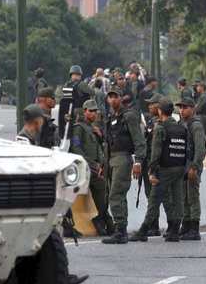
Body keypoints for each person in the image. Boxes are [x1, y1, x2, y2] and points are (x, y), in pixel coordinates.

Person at [17, 104, 89, 284]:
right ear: (38, 120)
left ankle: (55, 276)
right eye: (42, 119)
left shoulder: (29, 139)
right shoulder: (23, 142)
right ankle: (54, 277)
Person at [100, 85, 146, 245]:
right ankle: (122, 230)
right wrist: (103, 165)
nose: (113, 99)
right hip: (111, 159)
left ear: (121, 98)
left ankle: (120, 231)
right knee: (116, 195)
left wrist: (138, 161)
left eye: (116, 96)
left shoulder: (129, 116)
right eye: (110, 96)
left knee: (116, 195)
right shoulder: (110, 117)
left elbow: (139, 141)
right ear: (107, 99)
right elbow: (107, 143)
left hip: (122, 158)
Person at [145, 97, 190, 242]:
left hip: (165, 169)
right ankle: (175, 230)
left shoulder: (160, 128)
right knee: (177, 199)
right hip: (180, 168)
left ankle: (144, 229)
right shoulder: (181, 127)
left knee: (154, 198)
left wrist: (151, 170)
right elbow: (187, 150)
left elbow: (156, 152)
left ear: (160, 110)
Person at [70, 99, 112, 236]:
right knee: (101, 186)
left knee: (107, 188)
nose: (94, 114)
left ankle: (105, 218)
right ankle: (101, 219)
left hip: (96, 166)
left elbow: (101, 148)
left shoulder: (93, 128)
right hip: (85, 167)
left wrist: (100, 136)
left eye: (95, 111)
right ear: (84, 112)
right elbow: (77, 149)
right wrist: (93, 164)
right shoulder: (79, 128)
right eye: (91, 111)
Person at [130, 92, 165, 241]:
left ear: (160, 106)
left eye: (152, 104)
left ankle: (154, 226)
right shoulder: (151, 121)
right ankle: (153, 225)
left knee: (155, 196)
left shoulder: (165, 123)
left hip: (158, 165)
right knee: (149, 195)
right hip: (148, 162)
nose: (149, 106)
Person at [177, 96, 206, 241]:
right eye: (180, 107)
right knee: (184, 197)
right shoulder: (183, 123)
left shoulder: (196, 125)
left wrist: (195, 166)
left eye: (185, 107)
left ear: (193, 109)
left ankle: (194, 229)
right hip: (184, 165)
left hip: (192, 165)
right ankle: (186, 225)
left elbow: (200, 148)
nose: (182, 110)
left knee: (193, 197)